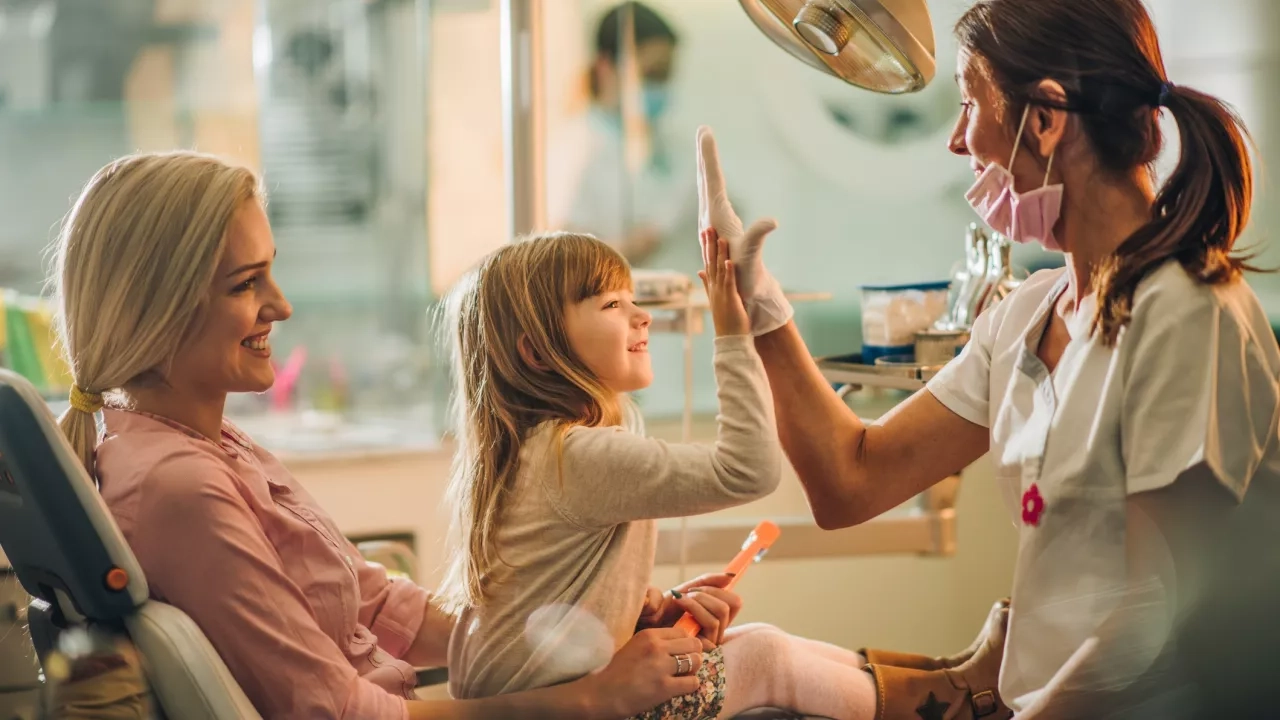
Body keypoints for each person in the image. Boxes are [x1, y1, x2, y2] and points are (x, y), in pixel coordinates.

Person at [695, 0, 1280, 717]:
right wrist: (759, 305)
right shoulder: (1028, 317)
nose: (955, 142)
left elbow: (1149, 615)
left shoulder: (1190, 312)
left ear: (1045, 119)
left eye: (969, 103)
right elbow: (851, 481)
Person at [50, 151, 709, 720]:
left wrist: (595, 628)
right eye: (247, 284)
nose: (281, 306)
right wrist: (590, 699)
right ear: (157, 305)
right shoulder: (181, 489)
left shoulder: (205, 444)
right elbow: (338, 713)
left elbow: (375, 604)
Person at [439, 231, 879, 719]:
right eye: (611, 305)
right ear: (538, 354)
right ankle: (940, 699)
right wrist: (733, 335)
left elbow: (549, 604)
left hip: (536, 701)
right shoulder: (576, 454)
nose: (641, 315)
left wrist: (645, 609)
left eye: (634, 299)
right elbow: (747, 470)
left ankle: (933, 684)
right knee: (764, 659)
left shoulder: (533, 452)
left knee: (760, 639)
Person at [547, 1, 696, 266]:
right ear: (606, 67)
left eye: (666, 75)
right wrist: (649, 237)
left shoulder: (674, 147)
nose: (660, 87)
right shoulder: (572, 148)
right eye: (651, 74)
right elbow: (563, 258)